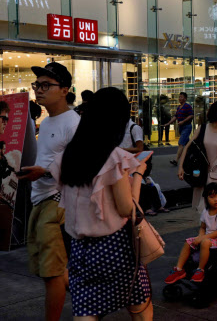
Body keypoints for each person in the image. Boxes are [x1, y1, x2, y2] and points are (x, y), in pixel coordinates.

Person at [51, 87, 153, 319]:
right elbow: (128, 209)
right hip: (114, 246)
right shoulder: (113, 158)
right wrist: (138, 174)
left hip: (79, 248)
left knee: (87, 309)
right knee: (139, 304)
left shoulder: (68, 156)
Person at [18, 62, 80, 321]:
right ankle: (85, 291)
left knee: (52, 274)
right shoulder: (47, 120)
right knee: (49, 269)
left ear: (64, 89)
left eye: (46, 85)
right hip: (40, 200)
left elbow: (78, 166)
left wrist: (42, 172)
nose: (39, 91)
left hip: (57, 203)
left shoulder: (73, 122)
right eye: (37, 85)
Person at [164, 183, 217, 284]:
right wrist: (200, 236)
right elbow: (203, 227)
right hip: (207, 238)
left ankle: (200, 269)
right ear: (206, 198)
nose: (216, 199)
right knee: (188, 242)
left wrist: (202, 238)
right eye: (212, 197)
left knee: (205, 242)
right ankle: (179, 269)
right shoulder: (205, 212)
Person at [165, 92, 193, 165]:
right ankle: (193, 156)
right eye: (179, 97)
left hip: (186, 127)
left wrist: (183, 121)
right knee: (187, 144)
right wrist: (168, 123)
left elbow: (191, 115)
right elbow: (175, 117)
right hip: (181, 127)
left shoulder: (187, 106)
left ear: (185, 98)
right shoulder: (179, 107)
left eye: (181, 97)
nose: (180, 98)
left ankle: (176, 160)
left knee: (181, 143)